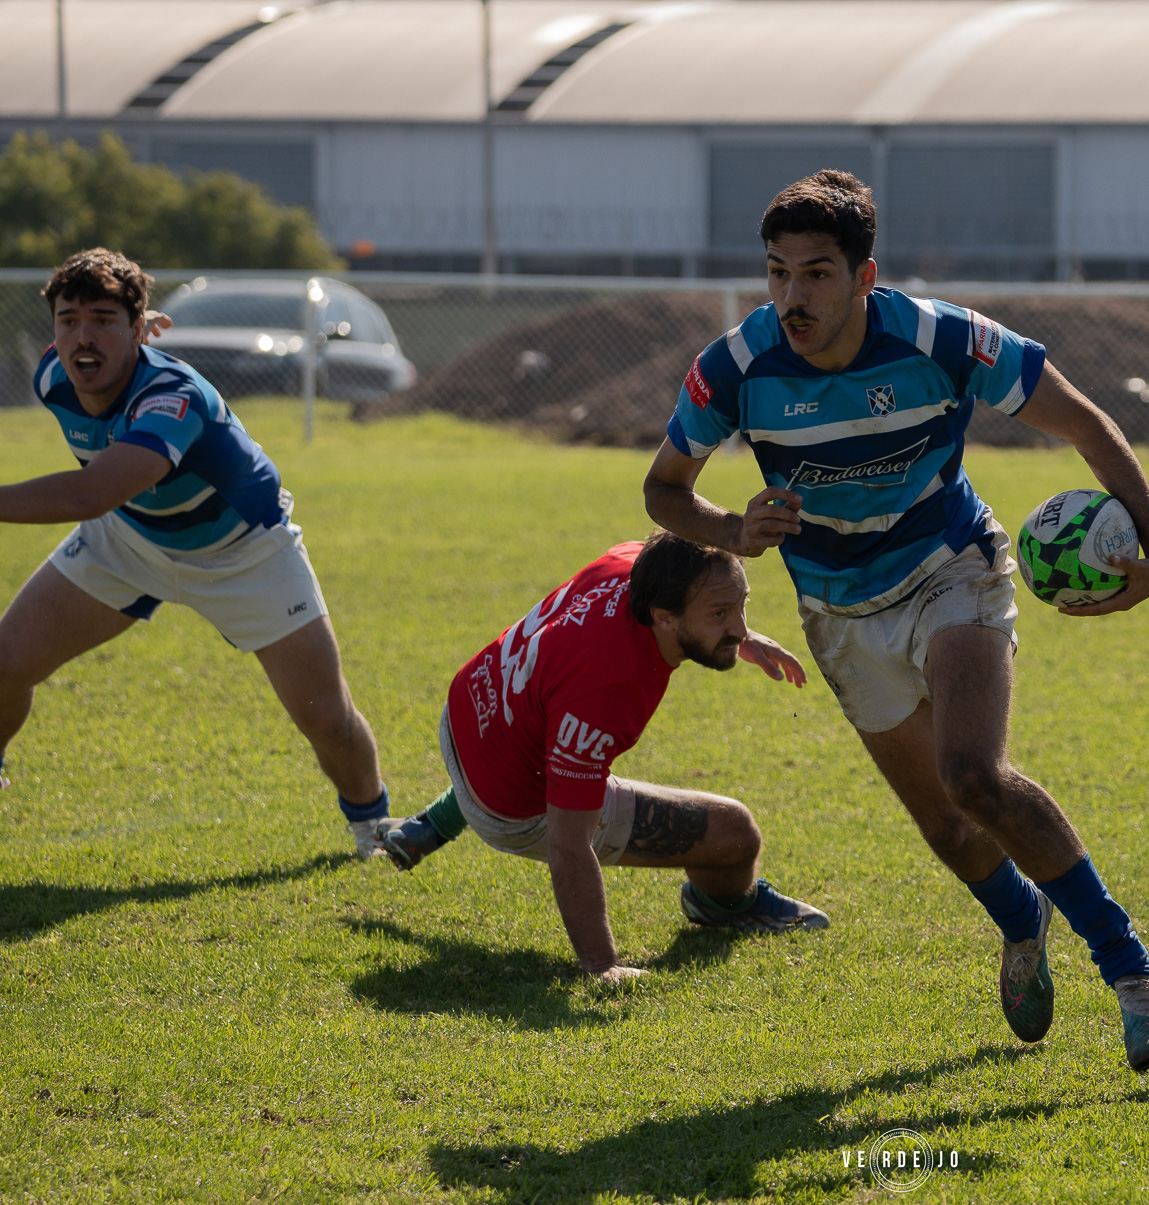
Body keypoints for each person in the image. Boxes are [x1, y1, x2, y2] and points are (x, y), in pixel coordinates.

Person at [643, 171, 1149, 1071]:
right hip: (839, 607)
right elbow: (664, 491)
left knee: (974, 772)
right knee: (945, 827)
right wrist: (733, 530)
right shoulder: (737, 368)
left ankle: (1134, 974)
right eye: (777, 273)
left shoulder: (941, 337)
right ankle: (1022, 920)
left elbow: (1084, 423)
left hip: (951, 564)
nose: (791, 298)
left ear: (864, 276)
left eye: (816, 274)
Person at [0, 248, 393, 855]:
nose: (82, 336)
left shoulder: (172, 395)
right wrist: (120, 333)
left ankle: (374, 825)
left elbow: (94, 489)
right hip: (127, 539)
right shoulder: (54, 374)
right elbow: (107, 496)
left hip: (246, 554)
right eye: (68, 319)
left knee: (328, 721)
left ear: (137, 328)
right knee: (5, 665)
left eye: (104, 319)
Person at [379, 534, 828, 983]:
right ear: (664, 617)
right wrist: (603, 964)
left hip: (469, 711)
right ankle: (723, 905)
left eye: (740, 605)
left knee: (544, 727)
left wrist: (733, 636)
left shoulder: (637, 563)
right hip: (509, 806)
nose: (738, 624)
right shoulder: (608, 690)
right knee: (736, 835)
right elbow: (568, 844)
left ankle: (435, 821)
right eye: (719, 614)